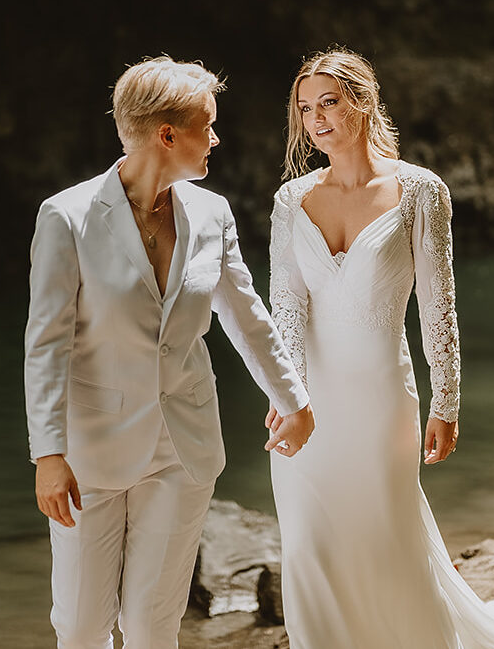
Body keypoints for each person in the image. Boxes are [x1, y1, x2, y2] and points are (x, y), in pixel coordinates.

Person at [24, 56, 315, 649]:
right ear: (167, 135)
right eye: (207, 126)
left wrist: (292, 398)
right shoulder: (67, 217)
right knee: (80, 625)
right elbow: (45, 342)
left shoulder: (212, 213)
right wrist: (48, 454)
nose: (216, 138)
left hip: (182, 444)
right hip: (90, 453)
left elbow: (244, 313)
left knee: (154, 622)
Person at [267, 49, 494, 648]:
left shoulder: (421, 191)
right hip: (307, 403)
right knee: (310, 540)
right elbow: (284, 307)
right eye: (305, 109)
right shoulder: (291, 201)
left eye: (329, 103)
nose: (316, 120)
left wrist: (447, 403)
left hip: (382, 399)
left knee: (385, 533)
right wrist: (282, 391)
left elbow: (438, 308)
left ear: (362, 102)